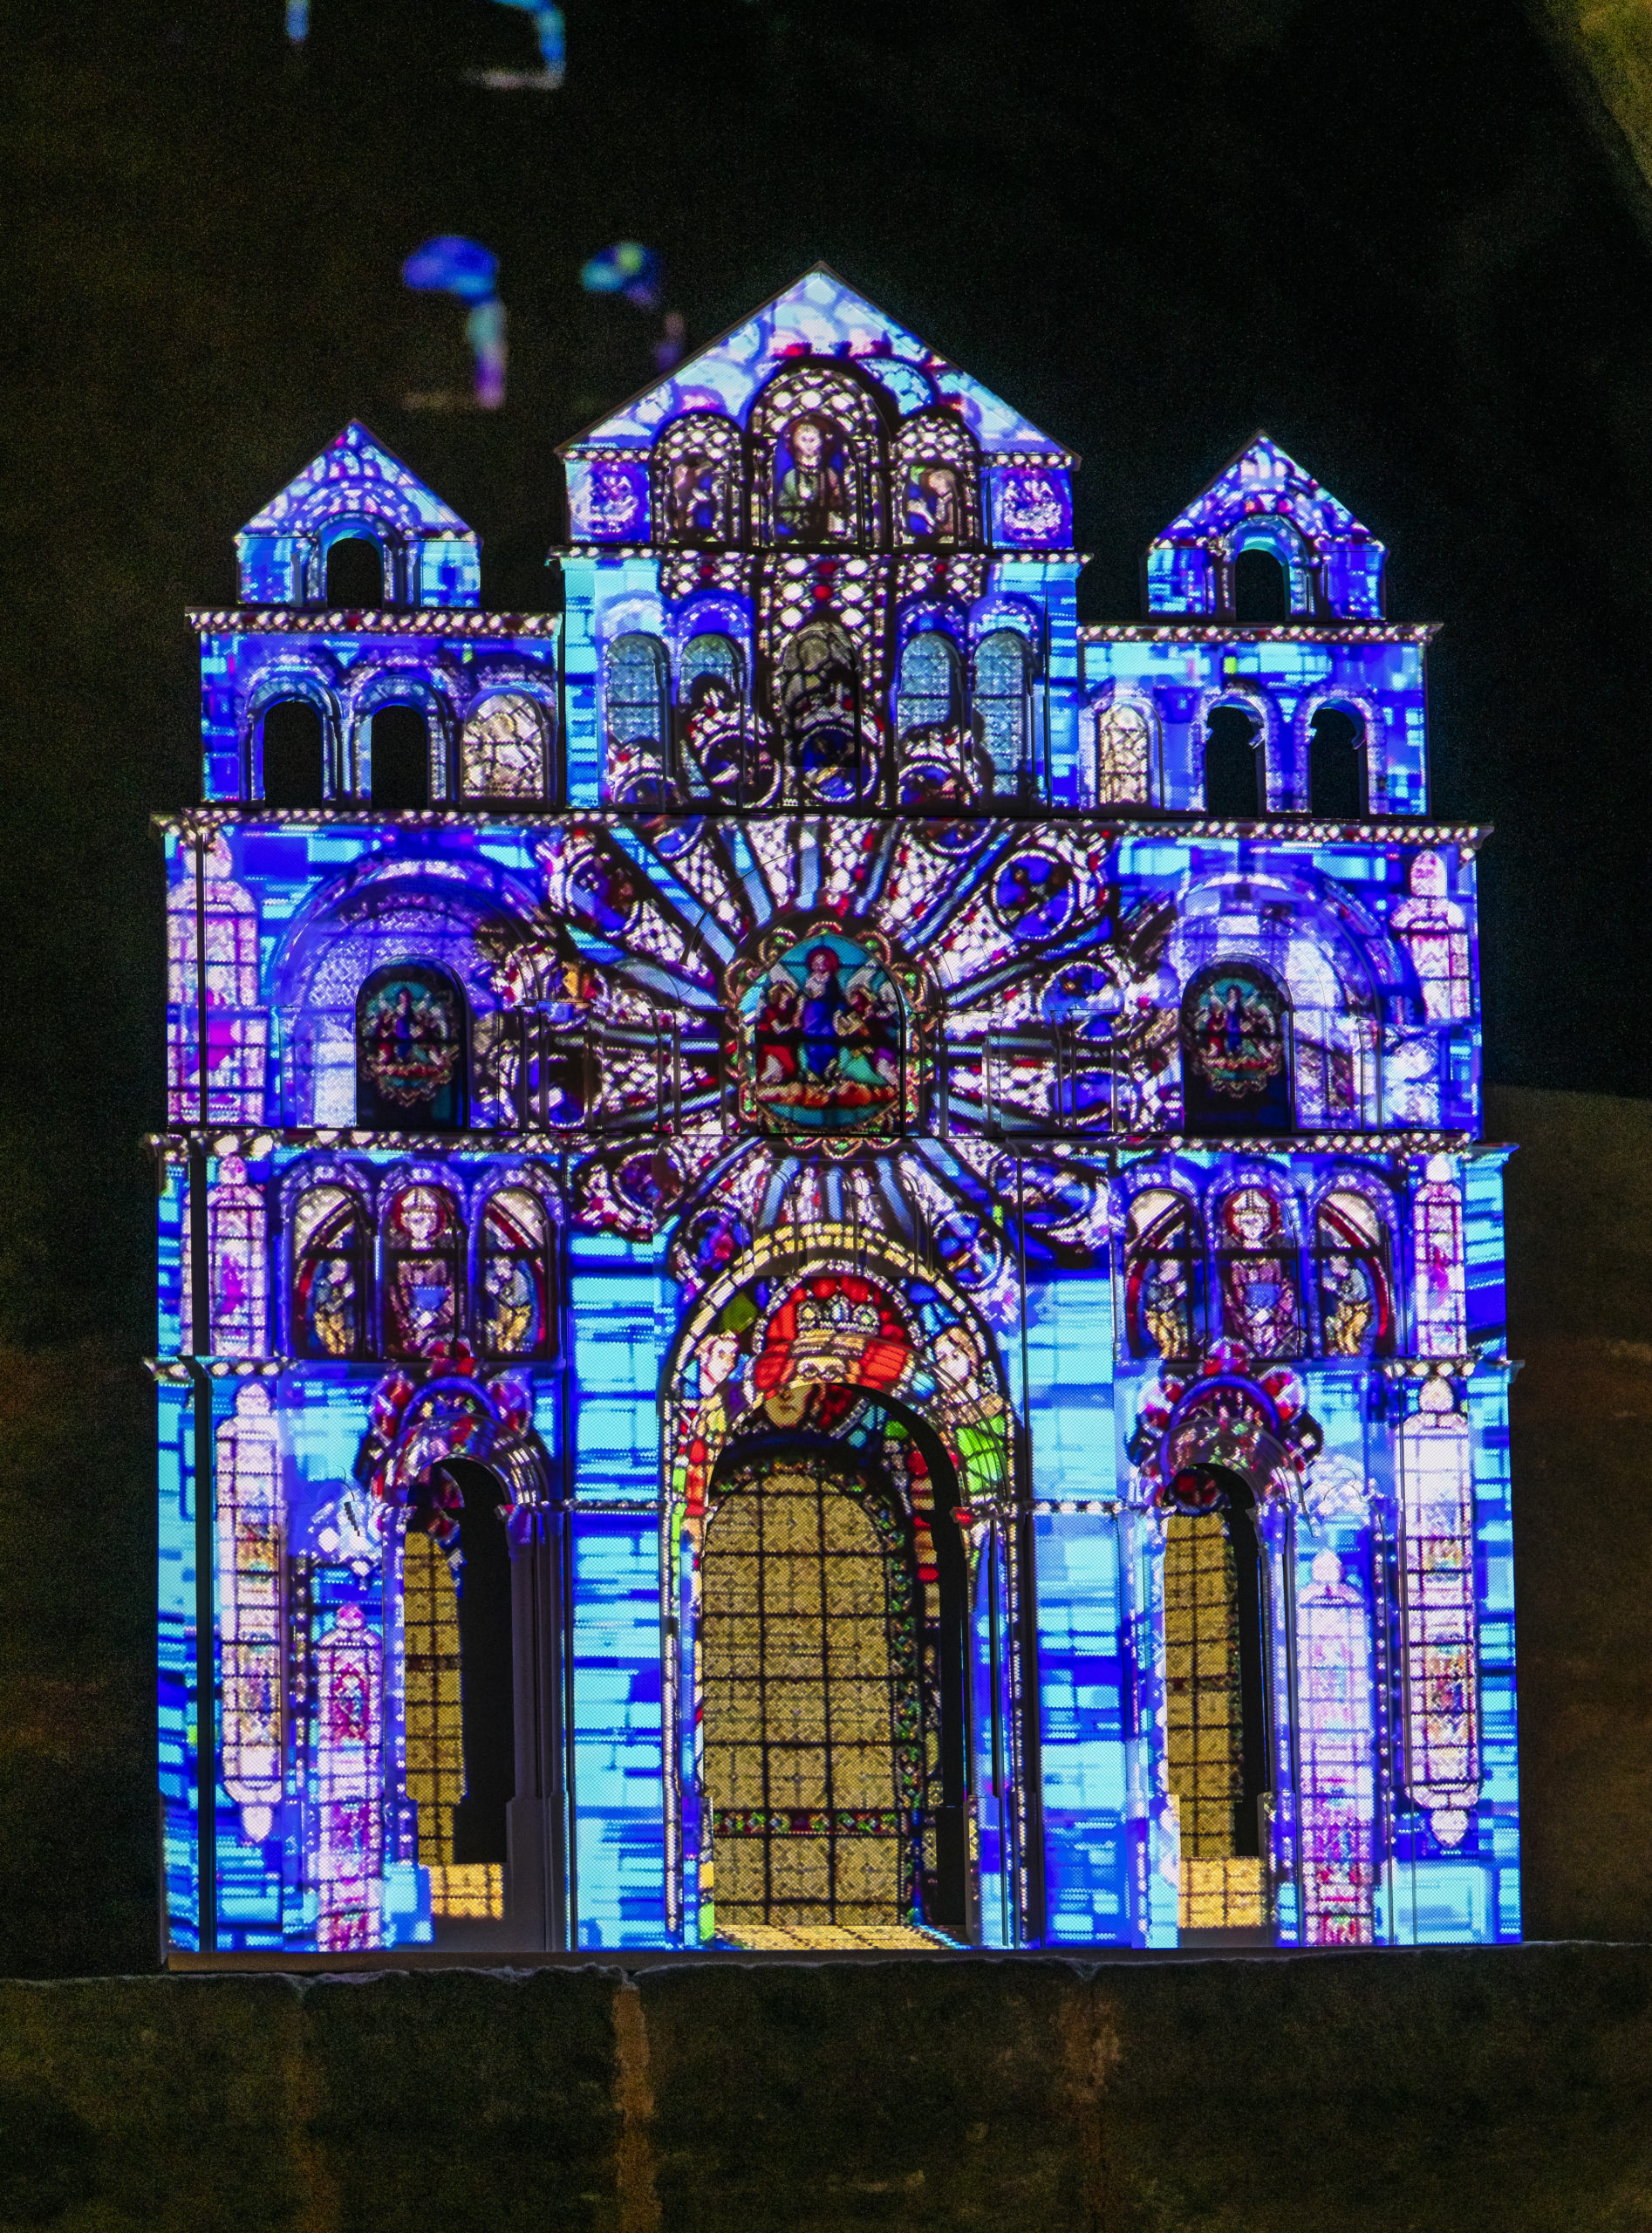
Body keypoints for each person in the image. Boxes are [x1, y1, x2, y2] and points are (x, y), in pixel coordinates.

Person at [775, 414, 849, 539]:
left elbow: (839, 506)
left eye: (812, 440)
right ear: (795, 442)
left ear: (822, 441)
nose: (808, 445)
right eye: (803, 439)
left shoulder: (831, 475)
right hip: (796, 540)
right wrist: (801, 504)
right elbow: (783, 509)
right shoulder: (790, 477)